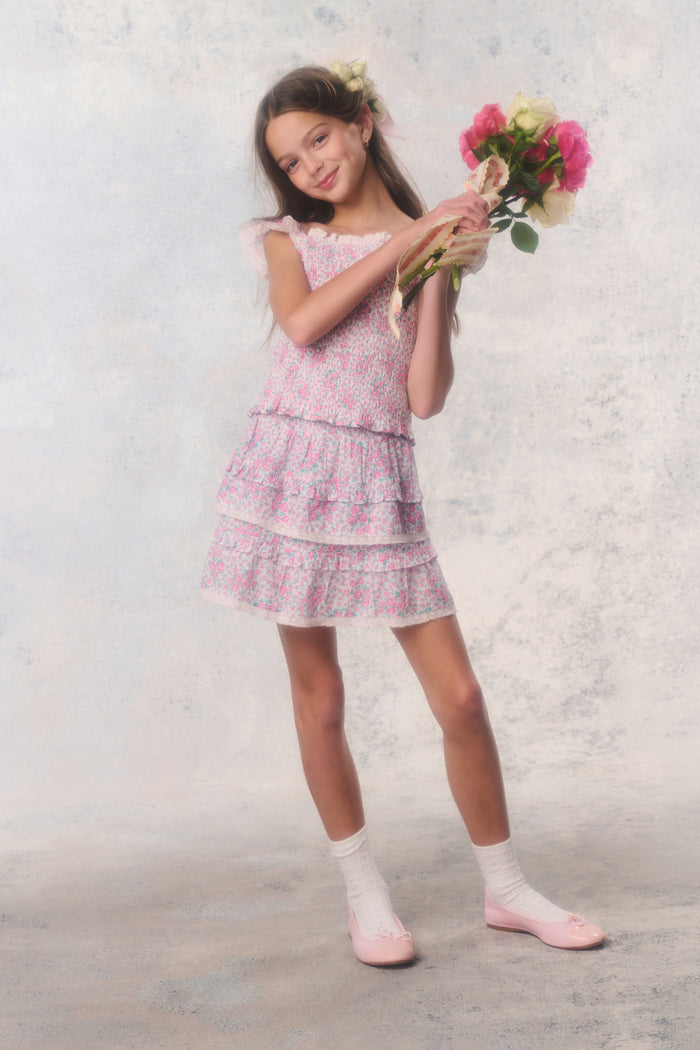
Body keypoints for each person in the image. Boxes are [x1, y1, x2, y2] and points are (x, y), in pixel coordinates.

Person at [201, 64, 605, 965]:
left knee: (459, 697)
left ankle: (506, 890)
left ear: (361, 122)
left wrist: (438, 270)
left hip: (379, 479)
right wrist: (411, 238)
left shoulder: (430, 244)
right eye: (288, 158)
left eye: (317, 137)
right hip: (293, 476)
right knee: (323, 694)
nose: (308, 166)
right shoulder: (285, 238)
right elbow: (304, 327)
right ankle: (364, 893)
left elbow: (422, 398)